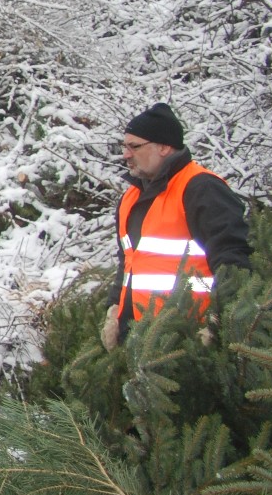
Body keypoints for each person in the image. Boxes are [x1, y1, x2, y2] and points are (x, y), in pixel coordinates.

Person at [101, 102, 252, 350]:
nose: (126, 154)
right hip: (140, 341)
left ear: (164, 147)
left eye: (134, 146)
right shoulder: (130, 198)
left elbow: (233, 261)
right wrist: (114, 309)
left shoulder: (201, 188)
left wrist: (220, 320)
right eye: (124, 146)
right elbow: (128, 263)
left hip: (190, 339)